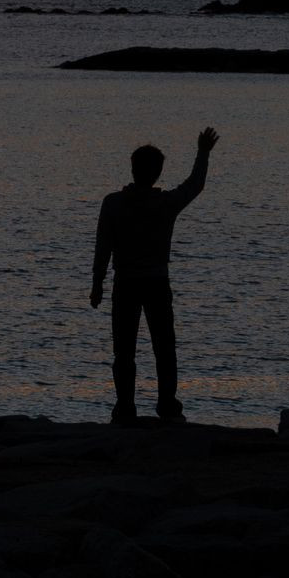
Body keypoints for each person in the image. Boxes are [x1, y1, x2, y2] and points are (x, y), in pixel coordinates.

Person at [90, 126, 219, 424]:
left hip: (126, 283)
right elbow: (195, 185)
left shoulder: (113, 203)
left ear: (133, 169)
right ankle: (167, 406)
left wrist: (97, 284)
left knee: (124, 350)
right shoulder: (165, 204)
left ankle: (125, 408)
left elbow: (102, 247)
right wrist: (202, 153)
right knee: (164, 348)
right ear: (158, 173)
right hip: (156, 283)